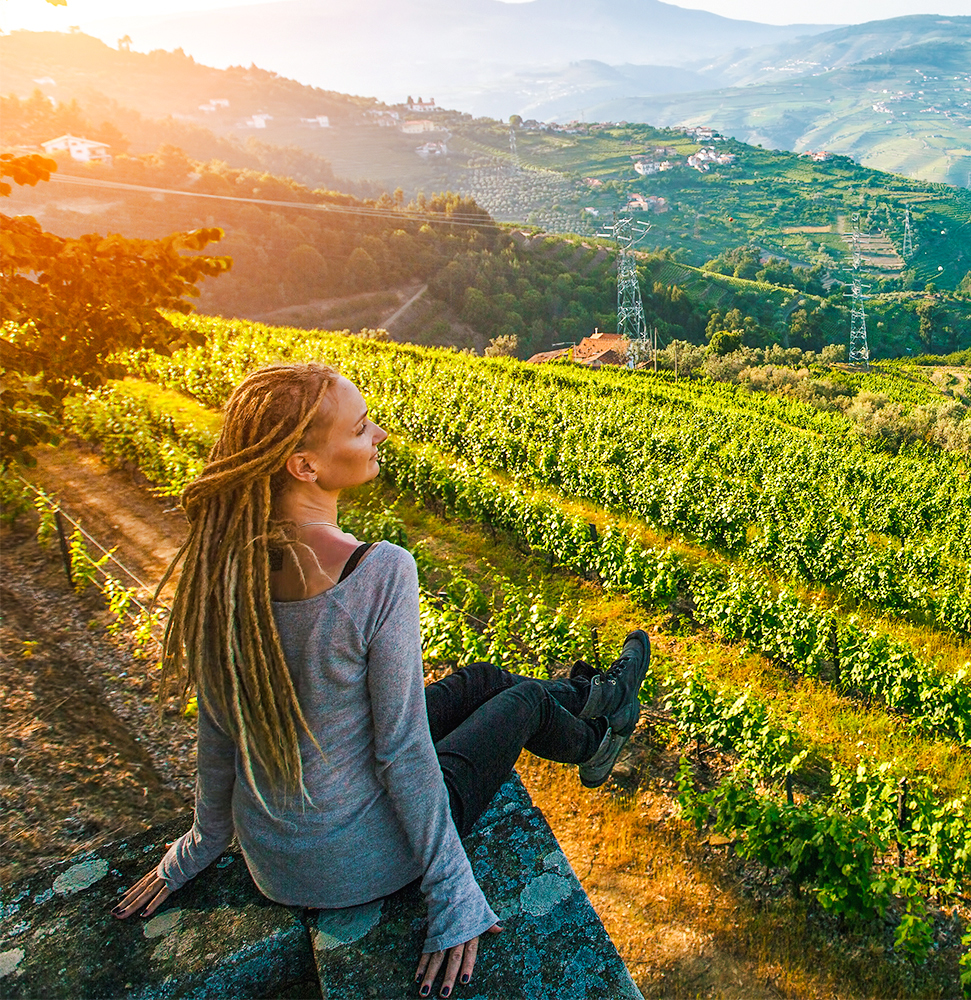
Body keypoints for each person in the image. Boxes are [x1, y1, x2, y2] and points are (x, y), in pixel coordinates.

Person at [110, 361, 649, 998]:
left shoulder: (223, 563)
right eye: (363, 428)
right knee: (524, 698)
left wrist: (203, 841)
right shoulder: (378, 572)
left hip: (275, 862)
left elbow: (220, 727)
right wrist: (453, 892)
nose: (381, 435)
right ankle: (597, 739)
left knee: (478, 680)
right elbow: (400, 751)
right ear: (305, 466)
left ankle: (603, 700)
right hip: (362, 857)